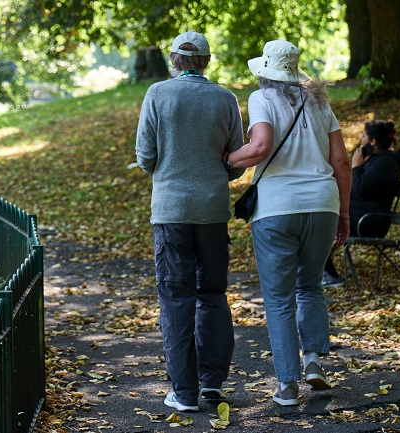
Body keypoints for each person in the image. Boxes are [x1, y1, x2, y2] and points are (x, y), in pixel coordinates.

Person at [223, 40, 352, 406]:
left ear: (265, 71)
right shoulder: (321, 103)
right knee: (310, 287)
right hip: (322, 205)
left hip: (277, 209)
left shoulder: (261, 99)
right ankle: (313, 361)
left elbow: (261, 147)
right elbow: (341, 162)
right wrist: (343, 213)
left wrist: (226, 159)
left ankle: (287, 386)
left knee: (279, 299)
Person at [135, 31, 245, 412]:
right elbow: (236, 157)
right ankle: (212, 384)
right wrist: (216, 176)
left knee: (176, 298)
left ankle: (184, 392)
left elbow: (145, 155)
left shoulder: (158, 94)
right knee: (212, 294)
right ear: (207, 62)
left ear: (173, 60)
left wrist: (168, 168)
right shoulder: (225, 98)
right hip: (212, 211)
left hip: (170, 210)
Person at [322, 120, 400, 286]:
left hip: (370, 221)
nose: (361, 139)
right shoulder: (377, 160)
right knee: (318, 218)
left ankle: (329, 275)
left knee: (322, 221)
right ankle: (322, 272)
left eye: (363, 136)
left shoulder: (385, 164)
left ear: (373, 142)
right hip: (362, 215)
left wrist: (356, 167)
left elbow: (359, 189)